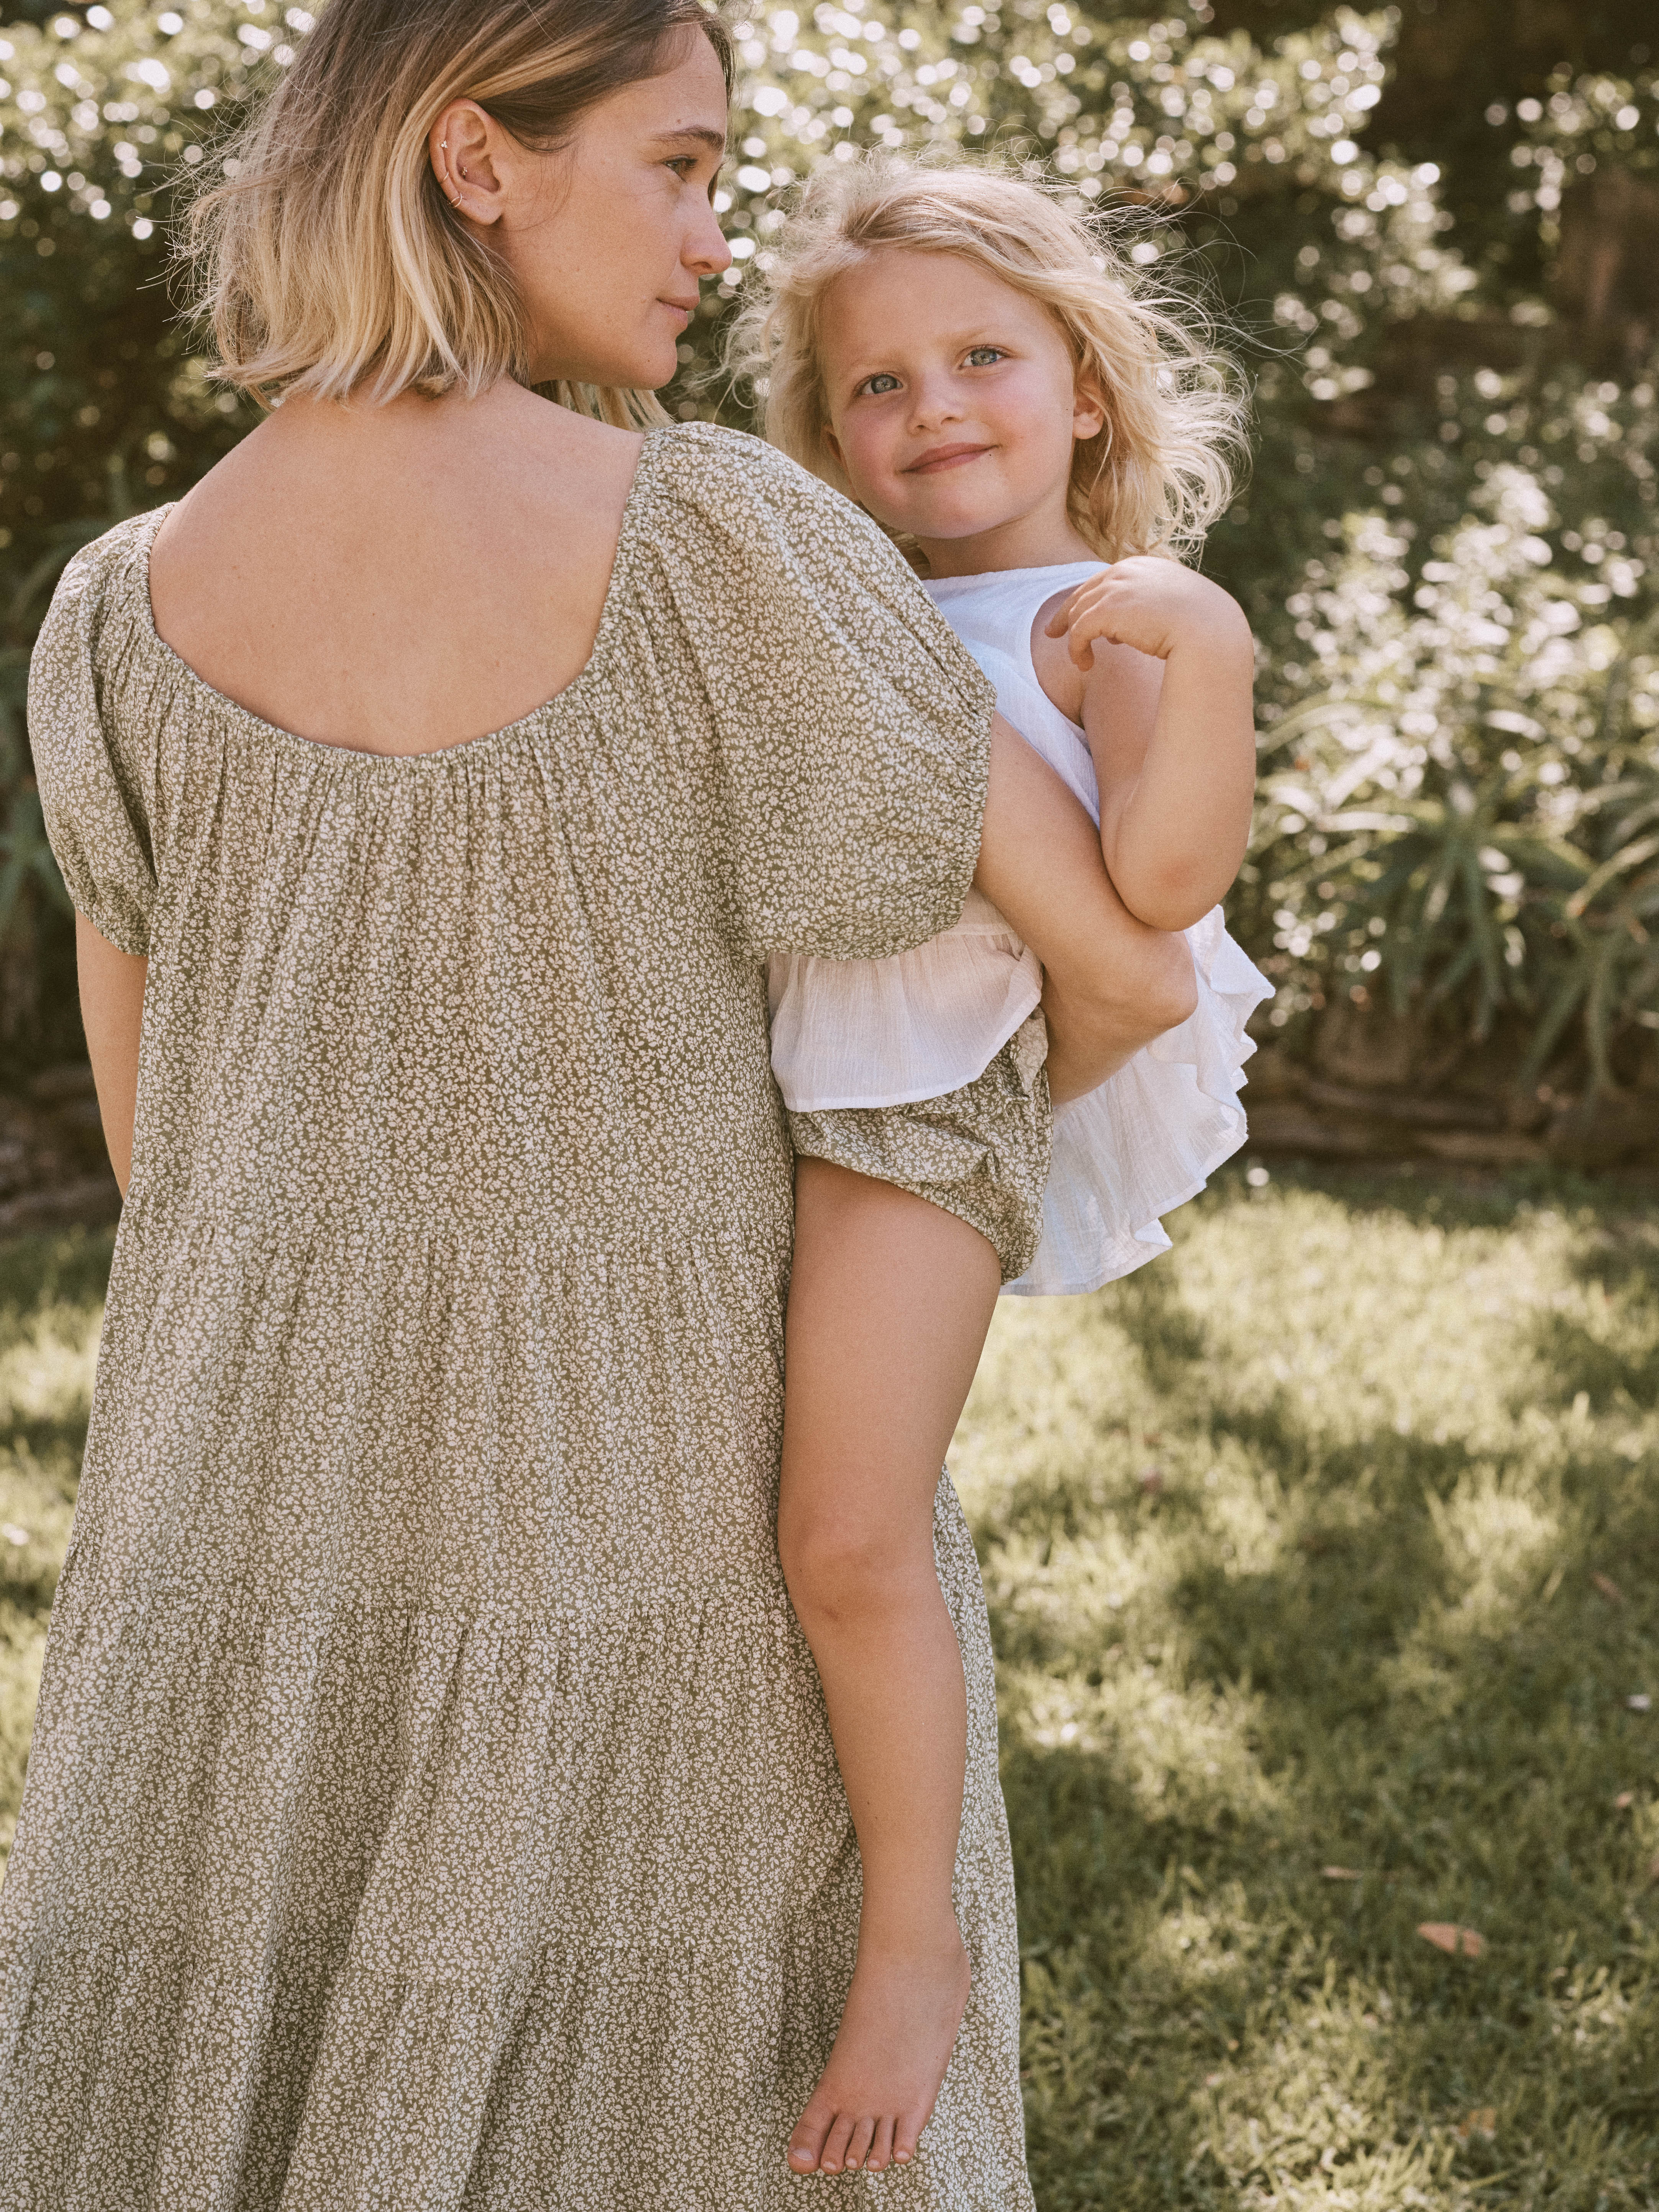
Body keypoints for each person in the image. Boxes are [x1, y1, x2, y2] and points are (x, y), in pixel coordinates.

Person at [9, 8, 1191, 2205]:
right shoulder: (727, 547)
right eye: (679, 166)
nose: (713, 237)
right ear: (477, 159)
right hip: (650, 1535)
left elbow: (166, 1172)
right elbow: (1108, 967)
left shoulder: (110, 620)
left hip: (235, 1561)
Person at [725, 158, 1272, 2178]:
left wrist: (1192, 653)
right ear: (826, 436)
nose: (932, 405)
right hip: (759, 1082)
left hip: (922, 1084)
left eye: (981, 358)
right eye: (875, 384)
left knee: (848, 1540)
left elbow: (1161, 890)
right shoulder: (828, 603)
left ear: (1087, 388)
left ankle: (908, 1945)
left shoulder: (1095, 622)